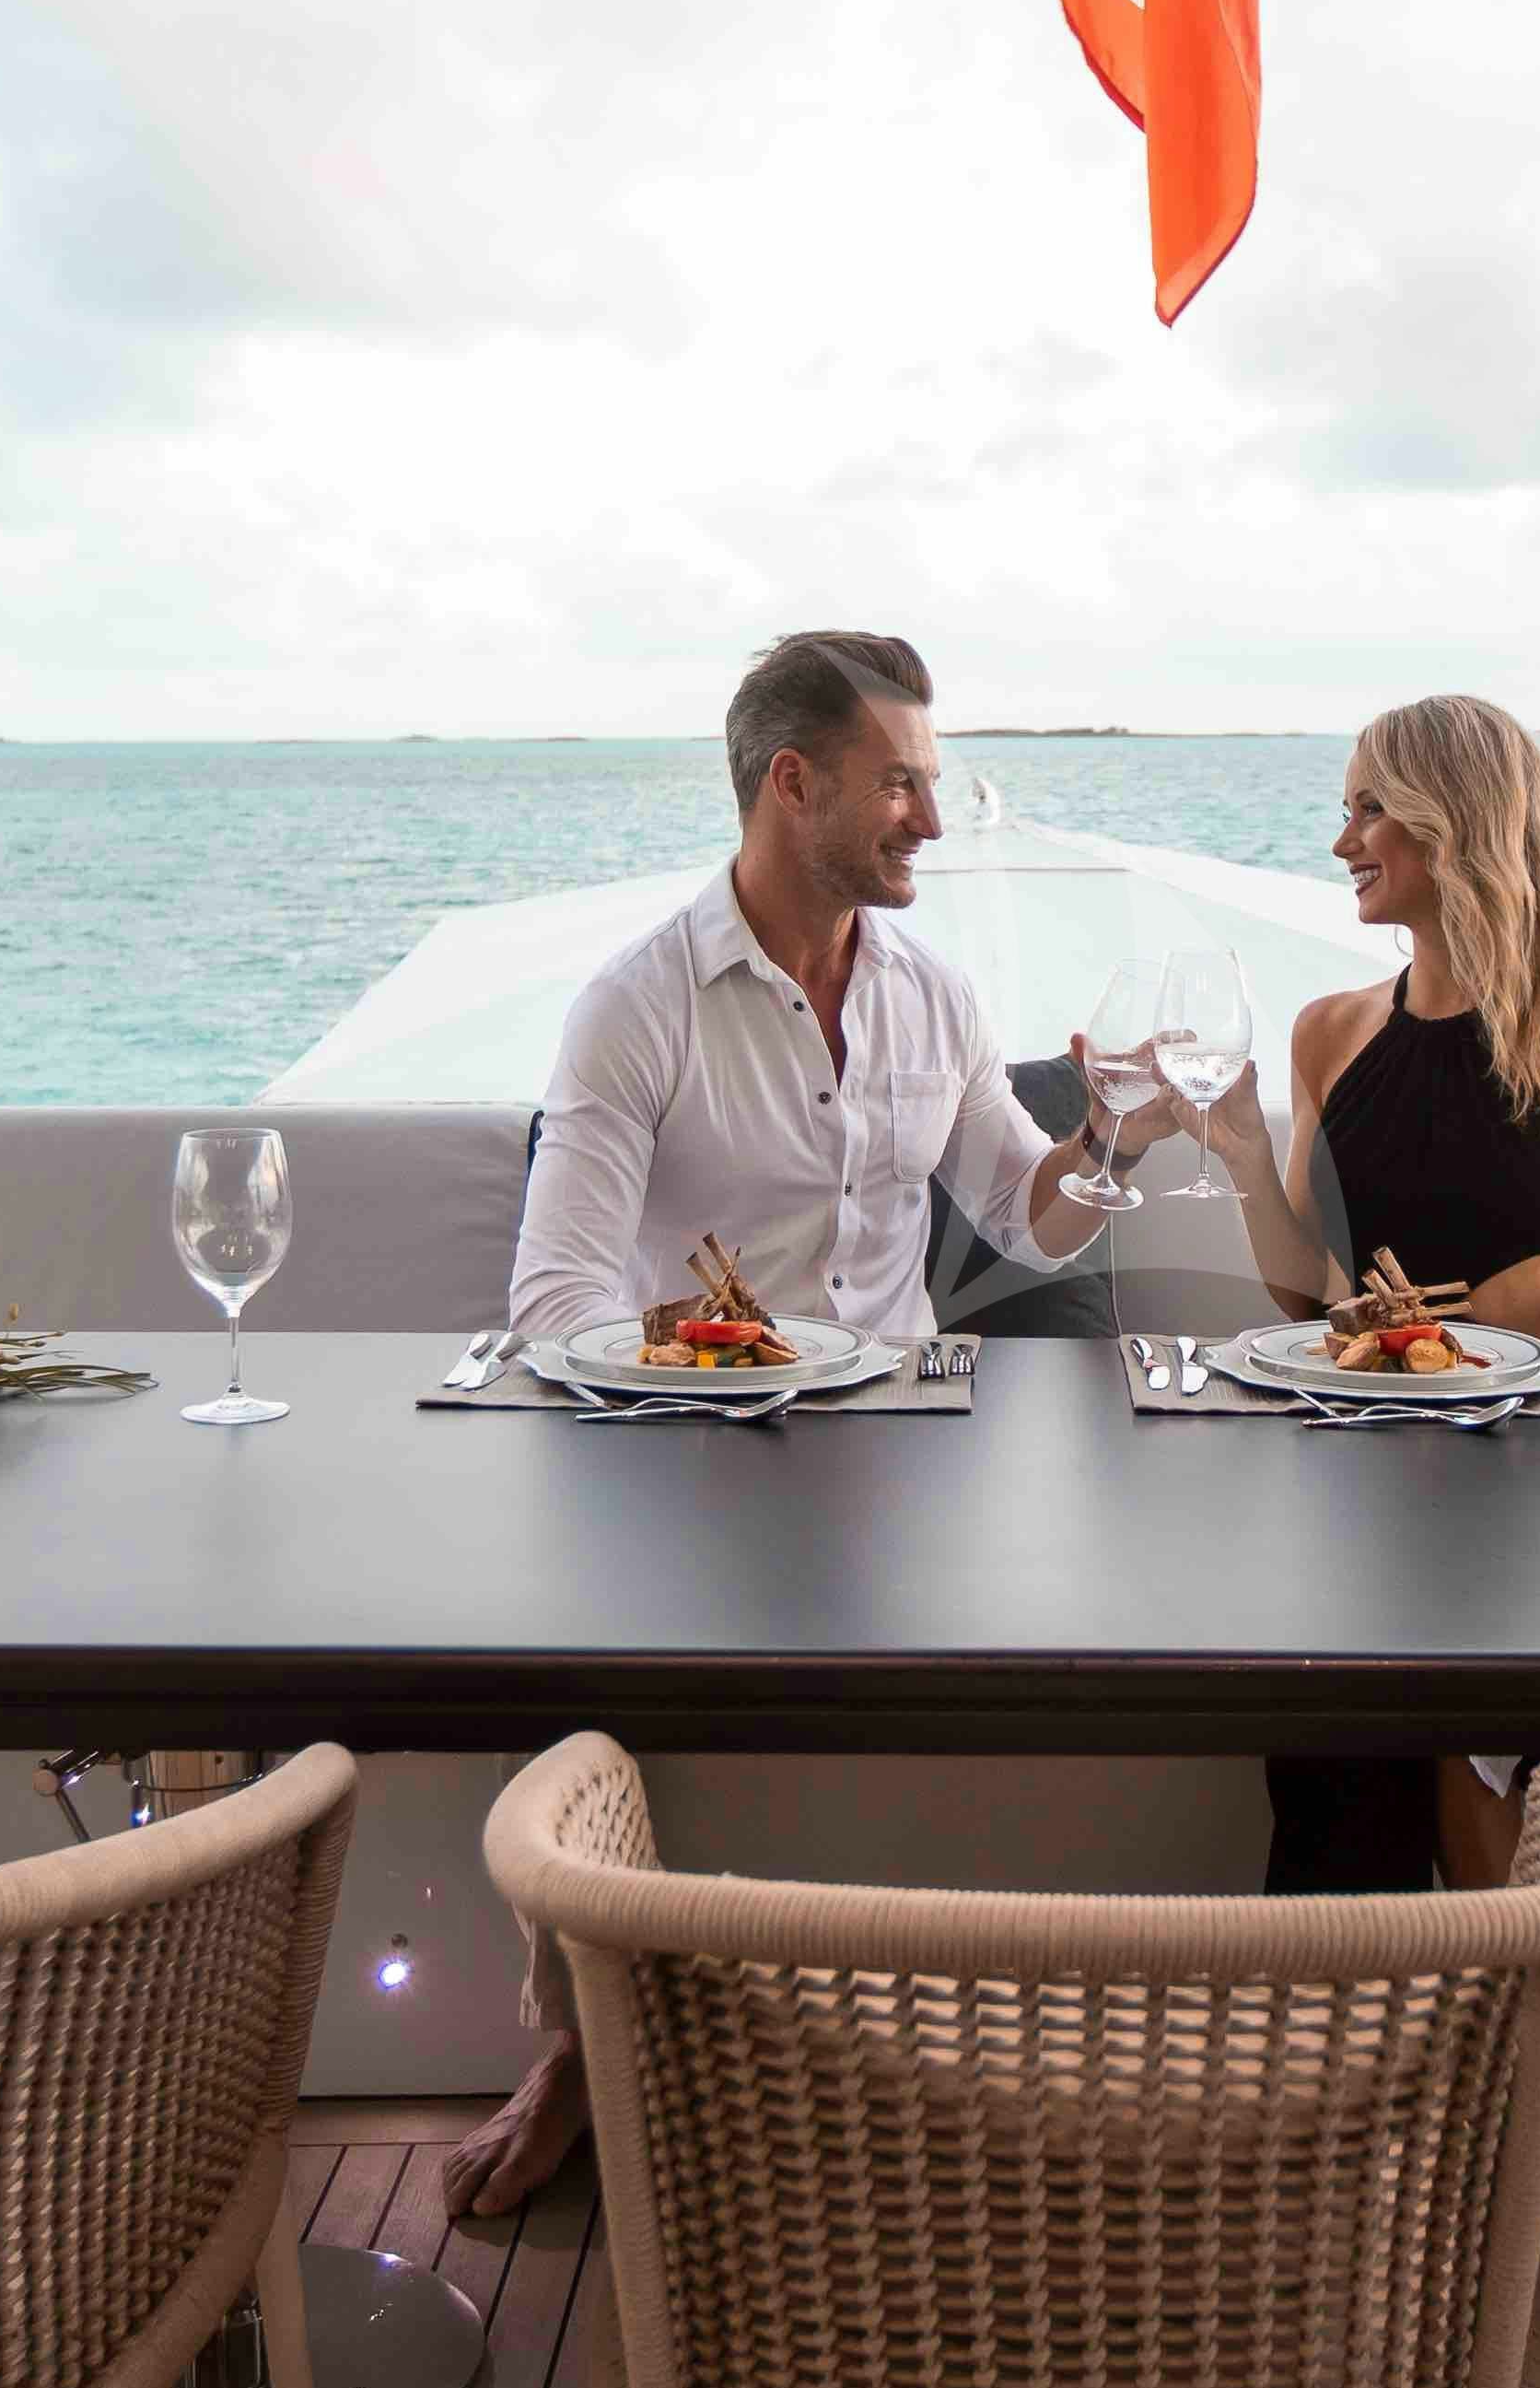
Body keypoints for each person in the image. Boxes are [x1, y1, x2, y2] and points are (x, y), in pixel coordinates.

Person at [438, 627, 1170, 2221]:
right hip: (685, 1453)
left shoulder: (934, 993)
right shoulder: (638, 1007)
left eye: (928, 781)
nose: (929, 813)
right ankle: (575, 2048)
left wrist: (1108, 1136)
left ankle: (986, 2067)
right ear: (794, 785)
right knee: (579, 1661)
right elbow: (556, 1305)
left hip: (906, 1457)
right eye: (901, 782)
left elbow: (1020, 1216)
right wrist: (731, 1363)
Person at [1174, 690, 1540, 2228]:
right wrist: (1228, 1141)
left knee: (1483, 1722)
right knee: (1364, 1727)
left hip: (1525, 1456)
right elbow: (1302, 1291)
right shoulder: (1331, 1028)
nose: (1341, 839)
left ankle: (1503, 2094)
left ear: (1451, 824)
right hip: (1351, 1450)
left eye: (1366, 810)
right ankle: (1425, 2097)